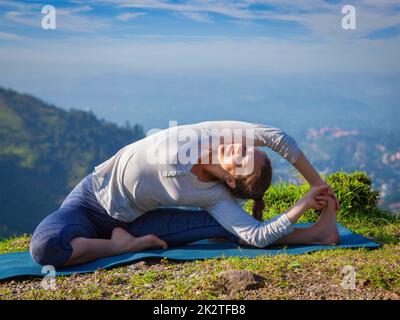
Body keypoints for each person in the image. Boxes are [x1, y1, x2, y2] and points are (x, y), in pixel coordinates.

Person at [30, 120, 340, 267]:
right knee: (45, 248)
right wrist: (316, 185)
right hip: (88, 203)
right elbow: (278, 137)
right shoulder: (209, 139)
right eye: (247, 149)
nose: (239, 146)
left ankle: (318, 234)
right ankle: (119, 247)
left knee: (232, 228)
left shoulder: (211, 192)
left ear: (231, 182)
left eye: (242, 159)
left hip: (139, 220)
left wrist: (301, 206)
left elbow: (256, 236)